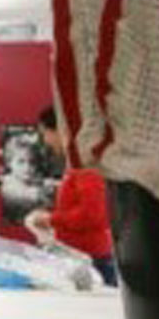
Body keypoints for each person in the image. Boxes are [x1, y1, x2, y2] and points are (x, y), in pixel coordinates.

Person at [24, 105, 117, 286]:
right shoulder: (75, 165)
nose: (45, 141)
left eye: (45, 133)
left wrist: (51, 219)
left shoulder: (84, 164)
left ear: (60, 130)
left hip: (92, 261)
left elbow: (93, 214)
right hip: (80, 258)